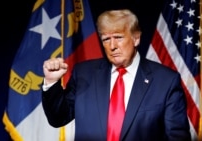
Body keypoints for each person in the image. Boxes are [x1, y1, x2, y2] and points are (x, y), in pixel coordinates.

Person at [42, 9, 191, 141]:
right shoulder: (83, 74)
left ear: (136, 38)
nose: (112, 46)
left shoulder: (165, 81)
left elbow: (177, 136)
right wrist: (51, 82)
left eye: (118, 37)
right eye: (106, 39)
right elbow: (58, 118)